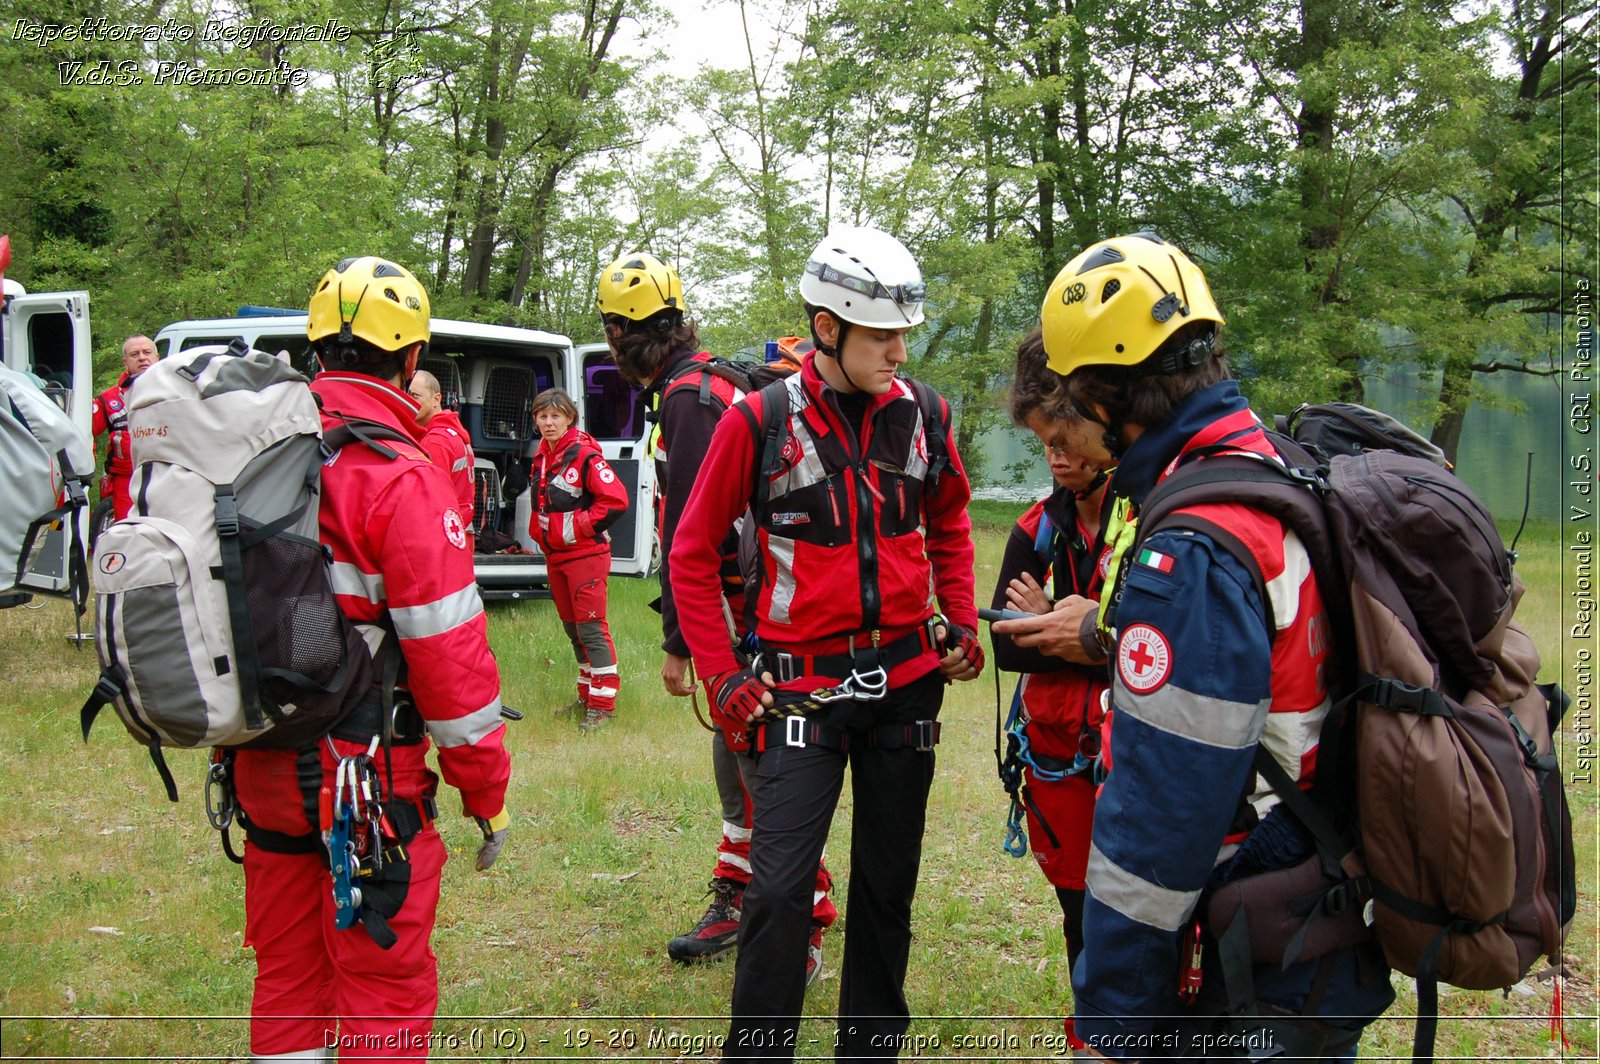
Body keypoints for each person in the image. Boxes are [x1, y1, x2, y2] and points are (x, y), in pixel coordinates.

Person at [994, 232, 1394, 1062]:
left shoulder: (1195, 548)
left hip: (1264, 917)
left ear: (1105, 396)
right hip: (1323, 887)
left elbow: (1164, 816)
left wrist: (1109, 1021)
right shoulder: (1274, 466)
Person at [670, 226, 983, 1060]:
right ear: (826, 329)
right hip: (798, 691)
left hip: (909, 684)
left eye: (903, 332)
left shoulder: (927, 415)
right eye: (881, 333)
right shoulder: (758, 420)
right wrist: (724, 673)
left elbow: (950, 520)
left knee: (889, 890)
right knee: (775, 892)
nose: (898, 349)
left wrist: (956, 616)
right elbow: (691, 554)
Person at [230, 256, 513, 1061]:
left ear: (317, 349)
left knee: (286, 974)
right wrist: (483, 787)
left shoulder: (250, 457)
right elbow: (450, 663)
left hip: (261, 762)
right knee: (382, 983)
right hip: (367, 784)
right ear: (411, 358)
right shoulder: (399, 478)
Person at [596, 252, 836, 978]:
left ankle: (804, 924)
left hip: (743, 618)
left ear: (618, 336)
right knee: (736, 764)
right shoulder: (700, 384)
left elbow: (698, 533)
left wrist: (686, 642)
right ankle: (737, 893)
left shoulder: (690, 398)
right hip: (743, 613)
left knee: (765, 766)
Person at [987, 328, 1112, 1051]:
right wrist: (1074, 636)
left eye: (1065, 439)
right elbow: (1013, 647)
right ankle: (1092, 1031)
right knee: (1077, 905)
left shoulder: (1155, 515)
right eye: (1044, 444)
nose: (1055, 456)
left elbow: (1168, 648)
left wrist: (1068, 629)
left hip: (1127, 752)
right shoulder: (1037, 527)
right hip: (1059, 755)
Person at [526, 386, 629, 731]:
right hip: (557, 557)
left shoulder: (584, 456)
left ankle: (603, 707)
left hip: (586, 555)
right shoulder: (542, 456)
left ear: (570, 418)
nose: (549, 422)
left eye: (556, 415)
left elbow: (616, 500)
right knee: (574, 631)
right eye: (543, 416)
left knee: (592, 630)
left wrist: (581, 527)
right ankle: (586, 697)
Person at [409, 369, 477, 554]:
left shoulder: (436, 441)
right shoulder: (453, 433)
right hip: (459, 532)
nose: (409, 402)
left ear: (436, 399)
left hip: (443, 537)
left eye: (415, 395)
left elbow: (429, 501)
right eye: (405, 395)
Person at [91, 334, 157, 520]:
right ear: (125, 362)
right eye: (134, 354)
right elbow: (85, 434)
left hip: (168, 474)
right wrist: (86, 469)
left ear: (157, 358)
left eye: (147, 352)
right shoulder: (109, 398)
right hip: (126, 480)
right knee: (131, 532)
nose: (142, 357)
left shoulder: (178, 390)